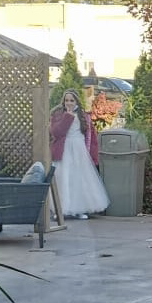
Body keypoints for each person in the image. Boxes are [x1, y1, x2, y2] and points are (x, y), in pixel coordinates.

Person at [49, 89, 109, 219]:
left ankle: (79, 208)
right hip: (64, 150)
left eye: (72, 100)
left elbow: (90, 136)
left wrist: (93, 155)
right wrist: (68, 116)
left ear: (76, 101)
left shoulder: (84, 116)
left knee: (79, 179)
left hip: (79, 150)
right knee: (64, 179)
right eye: (66, 100)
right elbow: (56, 132)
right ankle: (61, 210)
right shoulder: (58, 114)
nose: (69, 103)